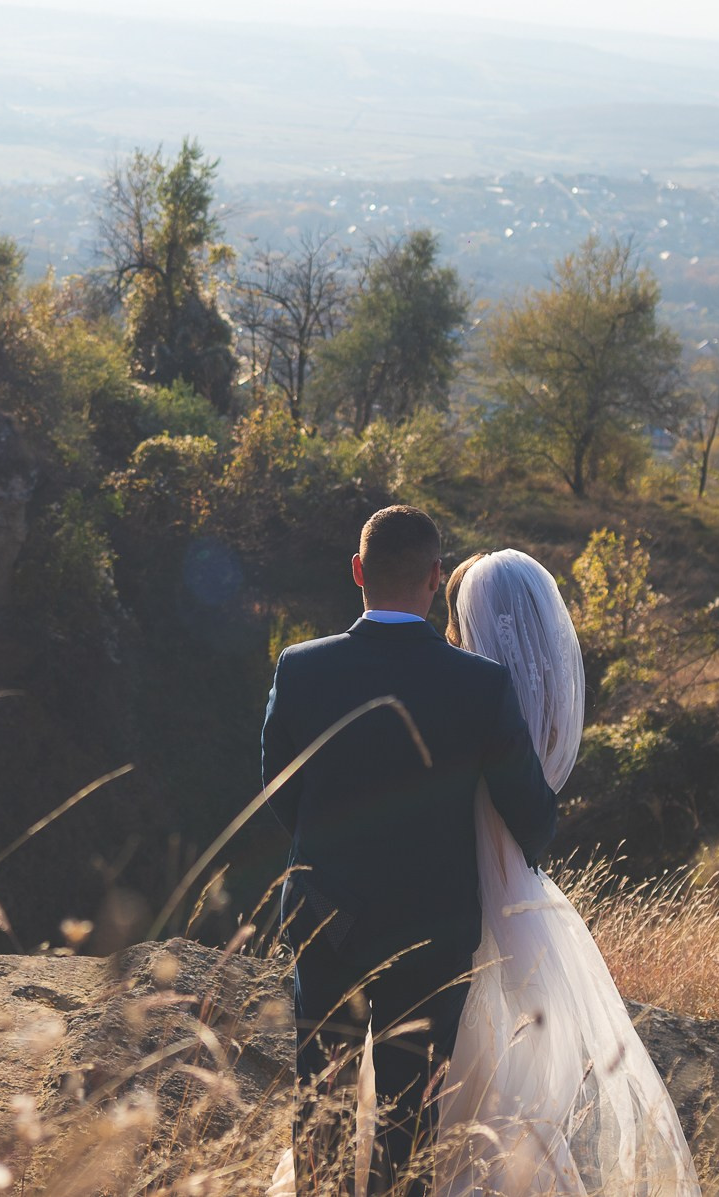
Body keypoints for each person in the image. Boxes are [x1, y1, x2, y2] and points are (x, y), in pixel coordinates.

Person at [261, 507, 559, 1194]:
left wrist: (327, 858)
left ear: (358, 571)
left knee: (322, 1120)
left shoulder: (302, 668)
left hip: (325, 921)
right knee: (409, 1136)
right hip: (433, 937)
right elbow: (530, 816)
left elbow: (281, 789)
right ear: (435, 576)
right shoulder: (480, 685)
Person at [432, 549, 701, 1196]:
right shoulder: (537, 713)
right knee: (518, 1086)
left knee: (455, 1080)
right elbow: (532, 811)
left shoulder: (458, 696)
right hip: (520, 894)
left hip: (447, 895)